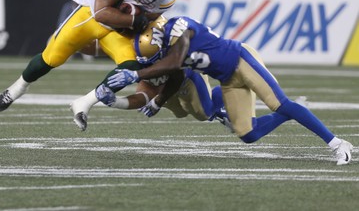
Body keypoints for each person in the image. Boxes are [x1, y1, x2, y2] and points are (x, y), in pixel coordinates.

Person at [106, 16, 353, 165]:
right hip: (227, 79)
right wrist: (157, 100)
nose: (157, 58)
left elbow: (173, 62)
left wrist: (136, 75)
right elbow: (175, 73)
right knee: (248, 134)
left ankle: (338, 143)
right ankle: (298, 111)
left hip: (241, 60)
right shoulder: (167, 50)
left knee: (278, 102)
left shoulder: (178, 27)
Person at [0, 0, 177, 115]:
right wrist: (134, 20)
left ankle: (85, 102)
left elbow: (146, 25)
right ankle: (17, 89)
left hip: (119, 33)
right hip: (89, 15)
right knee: (51, 57)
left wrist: (140, 27)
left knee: (130, 67)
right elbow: (100, 13)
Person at [71, 17, 232, 131]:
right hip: (166, 87)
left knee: (203, 113)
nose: (151, 65)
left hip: (187, 78)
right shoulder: (138, 55)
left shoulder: (172, 47)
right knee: (181, 113)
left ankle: (221, 98)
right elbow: (144, 96)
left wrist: (158, 101)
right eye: (147, 61)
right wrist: (115, 102)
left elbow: (176, 77)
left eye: (154, 59)